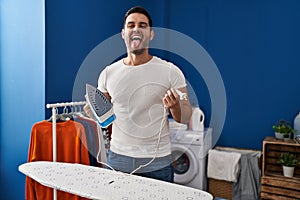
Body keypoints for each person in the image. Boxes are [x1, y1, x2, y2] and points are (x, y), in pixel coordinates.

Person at [84, 6, 192, 183]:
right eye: (131, 25)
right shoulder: (108, 73)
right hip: (119, 158)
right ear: (123, 33)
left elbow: (185, 117)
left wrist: (175, 107)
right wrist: (94, 114)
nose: (136, 29)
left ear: (151, 34)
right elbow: (104, 117)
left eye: (142, 25)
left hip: (158, 161)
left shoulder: (171, 71)